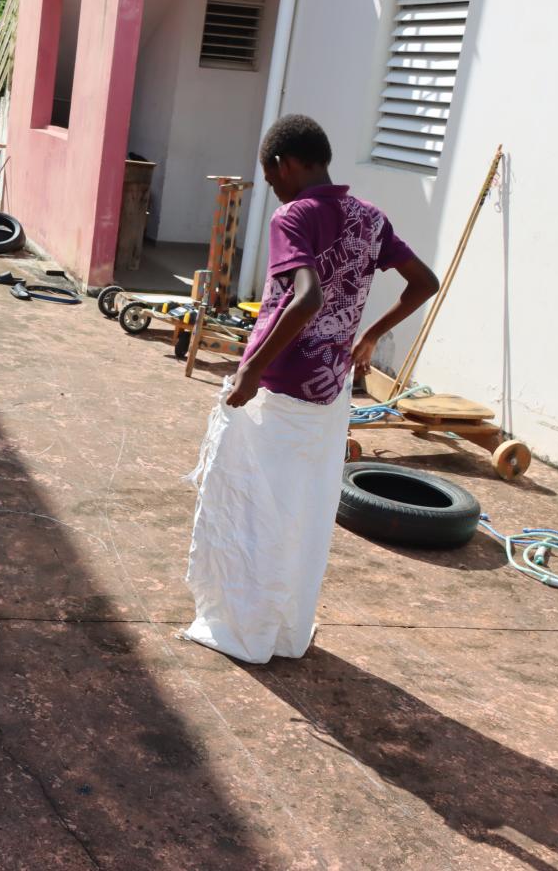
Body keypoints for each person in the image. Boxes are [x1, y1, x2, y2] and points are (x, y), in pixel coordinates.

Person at [183, 114, 439, 664]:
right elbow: (426, 283)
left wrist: (250, 373)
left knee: (254, 509)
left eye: (270, 174)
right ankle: (282, 628)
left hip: (278, 386)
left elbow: (306, 298)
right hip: (329, 391)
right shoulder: (370, 218)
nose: (271, 186)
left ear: (286, 163)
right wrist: (369, 336)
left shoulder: (292, 217)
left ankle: (248, 628)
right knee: (303, 510)